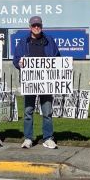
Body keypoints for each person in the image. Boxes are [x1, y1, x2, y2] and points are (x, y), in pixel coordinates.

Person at [12, 16, 61, 149]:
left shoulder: (49, 40)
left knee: (47, 112)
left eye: (38, 25)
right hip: (30, 82)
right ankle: (28, 138)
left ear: (42, 26)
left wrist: (62, 65)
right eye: (34, 26)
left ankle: (48, 138)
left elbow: (57, 57)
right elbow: (16, 59)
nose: (36, 27)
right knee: (28, 111)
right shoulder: (23, 41)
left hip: (46, 82)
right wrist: (19, 63)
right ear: (30, 27)